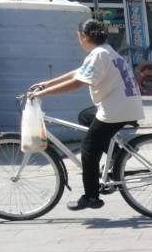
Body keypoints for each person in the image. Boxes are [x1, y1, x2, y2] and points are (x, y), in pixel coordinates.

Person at [29, 18, 144, 210]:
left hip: (116, 109)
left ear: (84, 36)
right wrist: (46, 84)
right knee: (86, 117)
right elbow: (78, 73)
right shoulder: (106, 51)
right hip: (123, 105)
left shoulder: (99, 54)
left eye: (78, 37)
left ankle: (91, 197)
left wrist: (41, 94)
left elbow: (77, 83)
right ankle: (117, 155)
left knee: (89, 149)